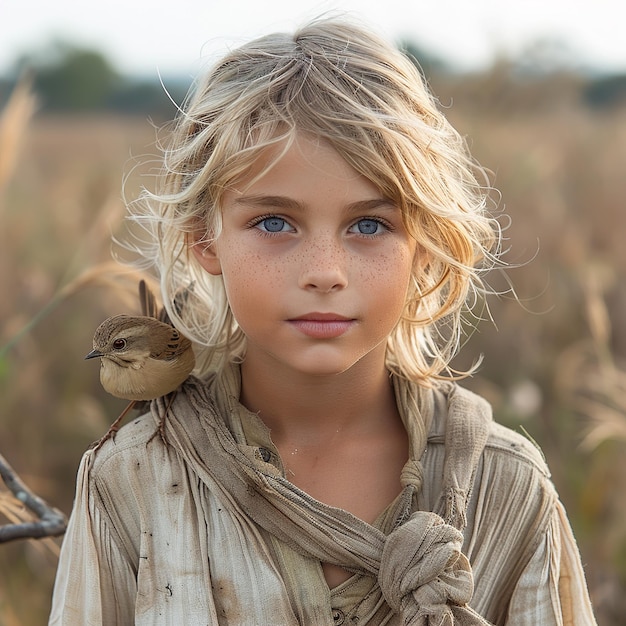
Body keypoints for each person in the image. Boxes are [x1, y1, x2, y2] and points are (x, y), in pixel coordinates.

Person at [49, 16, 597, 625]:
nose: (325, 272)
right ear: (204, 238)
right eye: (275, 223)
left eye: (369, 225)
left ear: (425, 245)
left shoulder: (507, 488)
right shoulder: (134, 478)